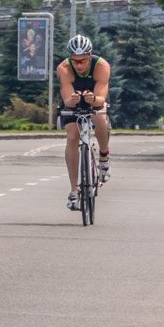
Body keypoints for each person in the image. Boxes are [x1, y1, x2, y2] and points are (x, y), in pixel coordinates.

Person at [56, 34, 112, 211]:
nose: (79, 65)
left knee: (100, 117)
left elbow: (101, 97)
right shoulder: (64, 68)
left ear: (90, 56)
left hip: (94, 97)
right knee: (72, 137)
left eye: (83, 61)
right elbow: (66, 96)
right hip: (72, 100)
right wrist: (71, 100)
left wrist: (94, 99)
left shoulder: (101, 66)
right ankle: (74, 190)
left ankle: (104, 156)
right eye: (75, 61)